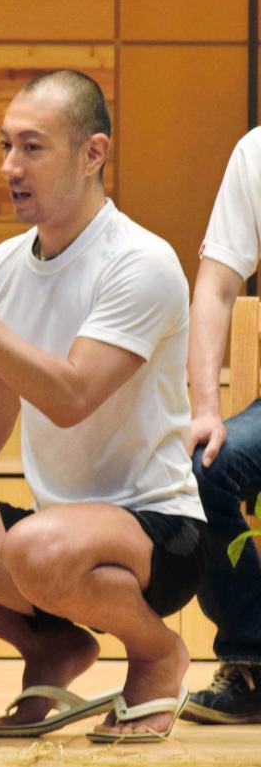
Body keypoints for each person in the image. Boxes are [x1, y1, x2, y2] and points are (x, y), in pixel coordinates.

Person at [0, 71, 207, 743]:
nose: (10, 167)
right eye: (5, 147)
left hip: (158, 529)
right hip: (48, 539)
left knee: (37, 547)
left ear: (93, 153)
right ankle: (50, 645)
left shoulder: (142, 261)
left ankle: (157, 651)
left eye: (32, 147)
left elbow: (71, 396)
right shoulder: (3, 265)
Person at [182, 128, 261, 724]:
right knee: (207, 467)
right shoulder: (256, 152)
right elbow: (215, 285)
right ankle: (250, 659)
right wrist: (205, 408)